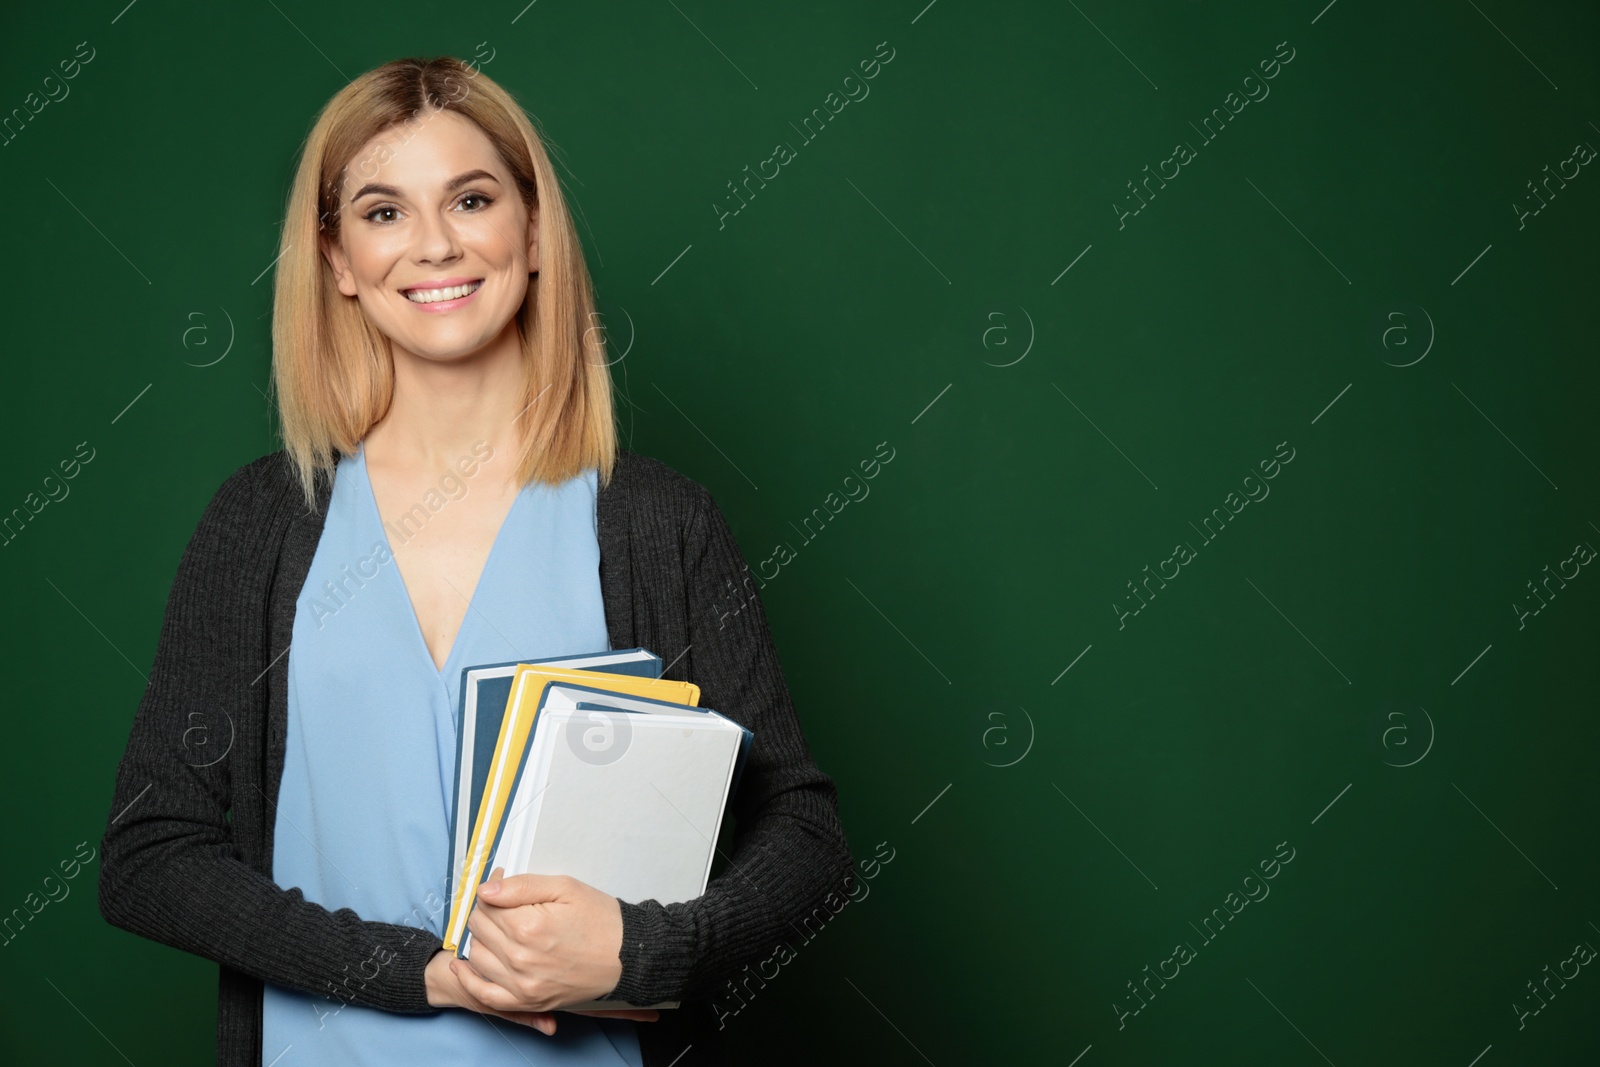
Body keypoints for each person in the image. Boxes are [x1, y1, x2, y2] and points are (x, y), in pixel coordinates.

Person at [96, 55, 853, 1067]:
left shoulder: (657, 522)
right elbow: (150, 854)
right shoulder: (261, 523)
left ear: (532, 232)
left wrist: (643, 947)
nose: (435, 244)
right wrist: (419, 973)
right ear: (336, 260)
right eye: (382, 212)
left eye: (471, 198)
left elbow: (803, 836)